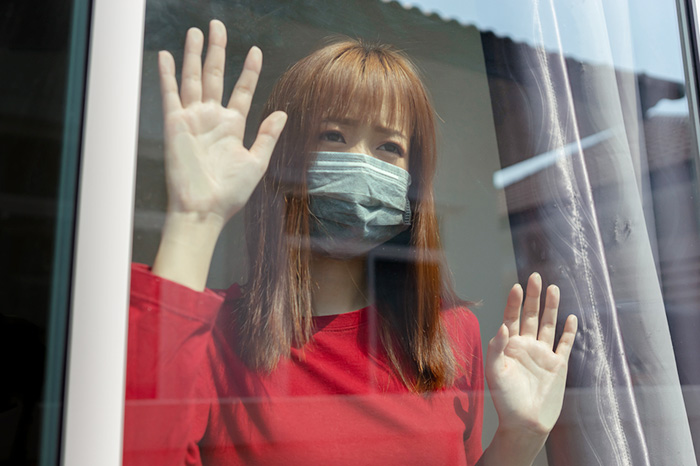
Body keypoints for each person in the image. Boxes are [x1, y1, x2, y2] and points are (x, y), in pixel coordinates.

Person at [124, 19, 578, 466]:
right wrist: (196, 217)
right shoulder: (211, 334)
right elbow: (136, 449)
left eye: (389, 148)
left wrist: (519, 438)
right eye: (333, 136)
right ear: (285, 160)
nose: (361, 164)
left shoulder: (450, 336)